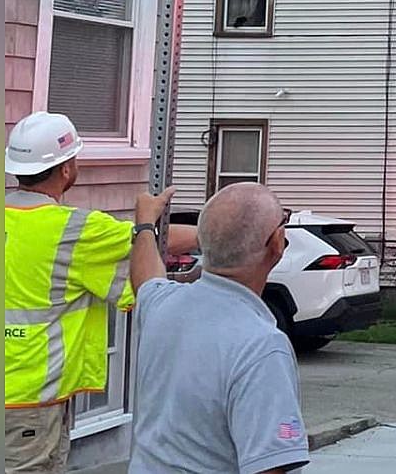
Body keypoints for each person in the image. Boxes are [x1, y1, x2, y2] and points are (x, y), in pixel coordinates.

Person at [4, 112, 187, 474]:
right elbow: (145, 247)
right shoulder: (75, 231)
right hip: (27, 402)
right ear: (67, 170)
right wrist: (153, 223)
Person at [127, 181, 309, 474]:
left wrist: (145, 225)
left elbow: (145, 278)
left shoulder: (163, 306)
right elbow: (270, 467)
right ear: (277, 243)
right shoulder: (262, 346)